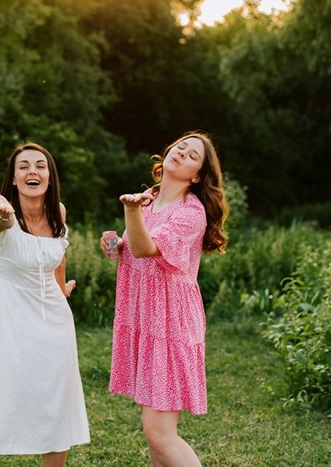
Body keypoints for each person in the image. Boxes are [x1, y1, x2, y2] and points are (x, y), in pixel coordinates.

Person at [100, 131, 228, 467]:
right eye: (180, 147)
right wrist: (114, 244)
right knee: (155, 435)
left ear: (197, 176)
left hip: (169, 324)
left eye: (192, 156)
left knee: (160, 434)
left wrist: (130, 211)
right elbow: (133, 249)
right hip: (145, 319)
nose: (182, 154)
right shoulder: (150, 198)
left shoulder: (191, 212)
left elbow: (146, 248)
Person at [0, 142, 90, 467]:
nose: (33, 171)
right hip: (17, 326)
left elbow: (58, 256)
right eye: (24, 166)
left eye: (40, 165)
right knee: (15, 397)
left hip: (57, 324)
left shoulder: (59, 211)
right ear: (13, 179)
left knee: (58, 406)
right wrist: (4, 215)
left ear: (49, 176)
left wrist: (61, 289)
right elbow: (0, 227)